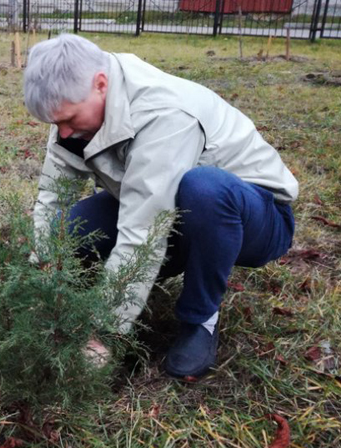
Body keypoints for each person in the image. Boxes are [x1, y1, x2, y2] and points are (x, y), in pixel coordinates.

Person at [23, 34, 297, 379]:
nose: (62, 133)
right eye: (54, 123)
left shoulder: (164, 114)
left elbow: (143, 232)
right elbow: (52, 197)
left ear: (101, 84)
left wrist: (103, 332)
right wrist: (39, 274)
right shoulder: (74, 110)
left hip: (255, 216)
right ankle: (144, 277)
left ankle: (200, 319)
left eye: (69, 119)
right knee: (70, 227)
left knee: (203, 188)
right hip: (169, 207)